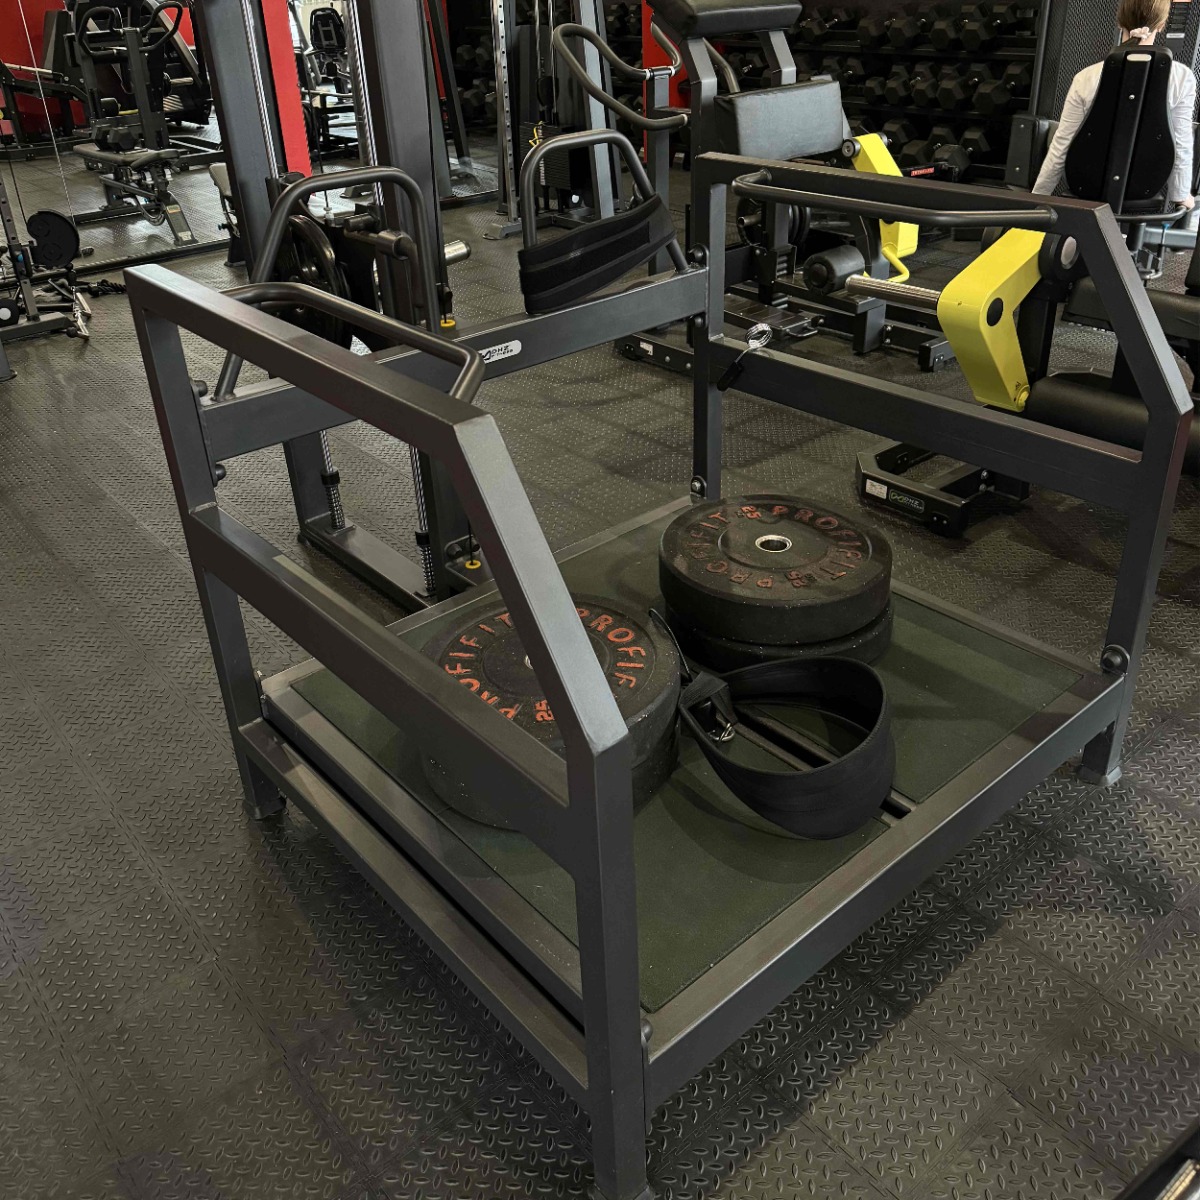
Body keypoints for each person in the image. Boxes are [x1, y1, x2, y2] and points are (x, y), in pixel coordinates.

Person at [1033, 0, 1197, 210]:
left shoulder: (1086, 77)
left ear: (1120, 23)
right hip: (1145, 186)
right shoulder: (1183, 78)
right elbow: (1181, 144)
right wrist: (1181, 195)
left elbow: (1061, 144)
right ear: (1161, 25)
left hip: (1087, 183)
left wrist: (1038, 197)